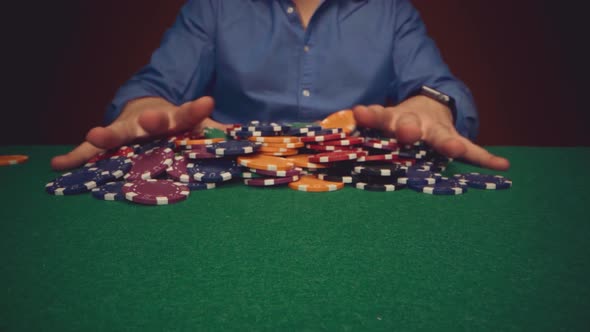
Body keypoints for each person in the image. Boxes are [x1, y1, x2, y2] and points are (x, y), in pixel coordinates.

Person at [51, 0, 510, 171]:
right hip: (229, 186)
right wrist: (141, 106)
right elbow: (155, 86)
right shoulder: (213, 6)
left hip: (356, 189)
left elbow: (438, 86)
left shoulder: (390, 10)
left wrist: (434, 107)